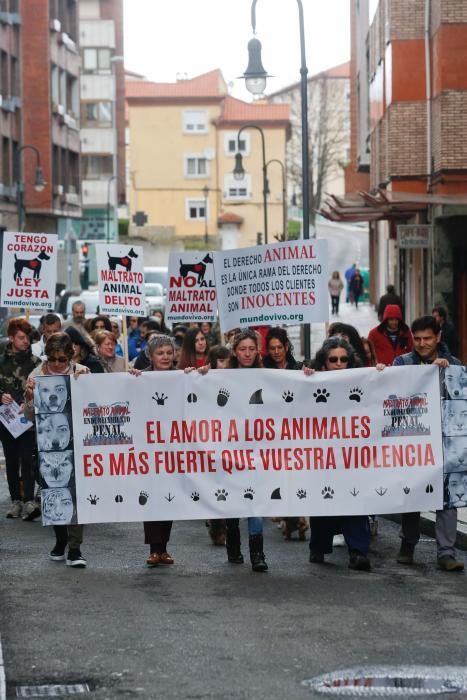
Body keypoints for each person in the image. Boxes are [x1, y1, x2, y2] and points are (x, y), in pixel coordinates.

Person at [392, 315, 464, 572]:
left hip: (445, 443)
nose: (422, 344)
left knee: (447, 496)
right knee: (412, 492)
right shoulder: (402, 363)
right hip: (413, 441)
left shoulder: (454, 366)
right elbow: (389, 394)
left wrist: (446, 375)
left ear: (438, 338)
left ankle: (446, 552)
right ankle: (408, 544)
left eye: (427, 339)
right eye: (418, 339)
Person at [23, 332, 89, 567]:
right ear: (47, 357)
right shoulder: (37, 374)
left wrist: (87, 384)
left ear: (71, 357)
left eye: (63, 359)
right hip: (48, 446)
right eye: (53, 359)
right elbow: (29, 416)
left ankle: (75, 548)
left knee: (76, 496)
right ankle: (60, 540)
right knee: (54, 493)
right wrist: (30, 396)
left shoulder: (81, 371)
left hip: (78, 444)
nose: (58, 364)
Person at [307, 337, 372, 571]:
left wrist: (383, 376)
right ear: (323, 363)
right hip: (322, 457)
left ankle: (358, 550)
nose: (338, 363)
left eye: (343, 359)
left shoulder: (363, 381)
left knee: (354, 500)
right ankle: (318, 546)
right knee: (324, 502)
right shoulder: (310, 383)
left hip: (352, 457)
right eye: (333, 359)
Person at [131, 335, 186, 567]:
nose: (165, 357)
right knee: (152, 495)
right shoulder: (140, 376)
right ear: (151, 356)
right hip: (148, 445)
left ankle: (163, 548)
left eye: (168, 353)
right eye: (160, 353)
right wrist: (130, 380)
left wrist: (199, 377)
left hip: (174, 445)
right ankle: (154, 550)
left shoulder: (184, 376)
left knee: (169, 495)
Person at [225, 329, 268, 572]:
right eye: (243, 349)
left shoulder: (268, 376)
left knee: (256, 499)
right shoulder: (221, 377)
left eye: (252, 348)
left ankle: (257, 553)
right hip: (230, 448)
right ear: (234, 351)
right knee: (232, 499)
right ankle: (232, 542)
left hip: (258, 449)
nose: (247, 353)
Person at [263, 327, 308, 542]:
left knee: (293, 475)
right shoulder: (261, 369)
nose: (276, 352)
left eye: (279, 347)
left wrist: (310, 376)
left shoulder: (298, 368)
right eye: (272, 348)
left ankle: (295, 516)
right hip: (271, 431)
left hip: (295, 430)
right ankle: (288, 515)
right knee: (277, 474)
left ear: (287, 347)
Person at [0, 318, 41, 520]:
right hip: (6, 420)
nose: (26, 342)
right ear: (11, 338)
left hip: (28, 419)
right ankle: (15, 500)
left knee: (27, 459)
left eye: (28, 338)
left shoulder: (35, 363)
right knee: (11, 459)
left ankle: (29, 501)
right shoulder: (1, 361)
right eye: (21, 338)